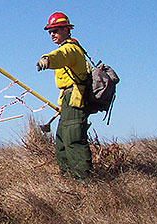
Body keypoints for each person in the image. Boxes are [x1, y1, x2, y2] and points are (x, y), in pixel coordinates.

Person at [36, 12, 93, 179]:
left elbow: (60, 56)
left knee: (73, 139)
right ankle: (68, 178)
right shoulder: (66, 48)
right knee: (61, 140)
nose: (53, 34)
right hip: (67, 100)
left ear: (67, 29)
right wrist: (61, 104)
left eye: (56, 29)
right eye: (50, 31)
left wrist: (46, 59)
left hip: (75, 99)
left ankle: (83, 181)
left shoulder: (71, 48)